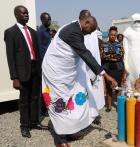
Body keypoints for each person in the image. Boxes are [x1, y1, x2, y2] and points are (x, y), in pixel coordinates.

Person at [41, 14, 117, 146]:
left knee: (73, 102)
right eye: (91, 30)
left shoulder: (76, 28)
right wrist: (105, 75)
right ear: (86, 23)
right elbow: (85, 54)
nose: (91, 33)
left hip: (67, 73)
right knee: (59, 104)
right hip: (56, 73)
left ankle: (70, 130)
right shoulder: (73, 32)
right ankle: (59, 140)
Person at [4, 5, 42, 138]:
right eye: (23, 13)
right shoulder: (11, 32)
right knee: (24, 100)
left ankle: (34, 122)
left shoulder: (33, 32)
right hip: (22, 72)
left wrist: (40, 69)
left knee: (35, 97)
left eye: (27, 13)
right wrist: (14, 77)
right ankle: (24, 126)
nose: (26, 15)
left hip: (35, 69)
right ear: (16, 15)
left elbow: (38, 53)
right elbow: (11, 57)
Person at [82, 9, 105, 124]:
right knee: (84, 92)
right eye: (87, 18)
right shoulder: (79, 32)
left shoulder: (94, 32)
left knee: (95, 91)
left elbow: (100, 44)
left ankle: (95, 114)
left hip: (95, 66)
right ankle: (85, 116)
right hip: (83, 67)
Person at [123, 13, 140, 89]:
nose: (137, 23)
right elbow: (125, 49)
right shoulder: (127, 32)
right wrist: (126, 63)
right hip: (131, 60)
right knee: (130, 81)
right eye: (135, 21)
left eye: (139, 21)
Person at [100, 26, 124, 112]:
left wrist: (109, 56)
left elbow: (120, 56)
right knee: (109, 88)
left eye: (114, 35)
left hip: (118, 69)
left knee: (118, 87)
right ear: (109, 34)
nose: (113, 36)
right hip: (108, 69)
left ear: (116, 35)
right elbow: (102, 56)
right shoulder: (104, 44)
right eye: (111, 34)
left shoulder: (119, 45)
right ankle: (109, 106)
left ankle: (119, 106)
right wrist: (112, 57)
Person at [37, 12, 52, 117]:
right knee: (43, 87)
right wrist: (43, 64)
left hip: (48, 63)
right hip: (43, 63)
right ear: (42, 20)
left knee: (47, 87)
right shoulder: (40, 32)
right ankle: (42, 110)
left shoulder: (47, 31)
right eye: (48, 19)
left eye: (50, 19)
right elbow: (39, 49)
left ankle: (46, 107)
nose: (50, 21)